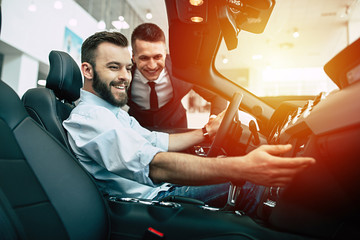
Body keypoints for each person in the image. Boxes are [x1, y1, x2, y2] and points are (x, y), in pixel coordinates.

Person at [63, 31, 315, 215]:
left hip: (164, 189)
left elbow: (158, 140)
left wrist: (206, 132)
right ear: (87, 70)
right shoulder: (89, 118)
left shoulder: (111, 112)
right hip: (154, 201)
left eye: (127, 68)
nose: (125, 77)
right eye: (113, 67)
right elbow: (154, 165)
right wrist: (241, 167)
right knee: (253, 183)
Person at [127, 23, 227, 129]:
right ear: (133, 57)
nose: (152, 66)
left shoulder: (183, 70)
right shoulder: (122, 75)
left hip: (176, 129)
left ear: (165, 53)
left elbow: (218, 95)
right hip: (137, 131)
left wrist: (214, 119)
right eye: (144, 58)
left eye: (157, 57)